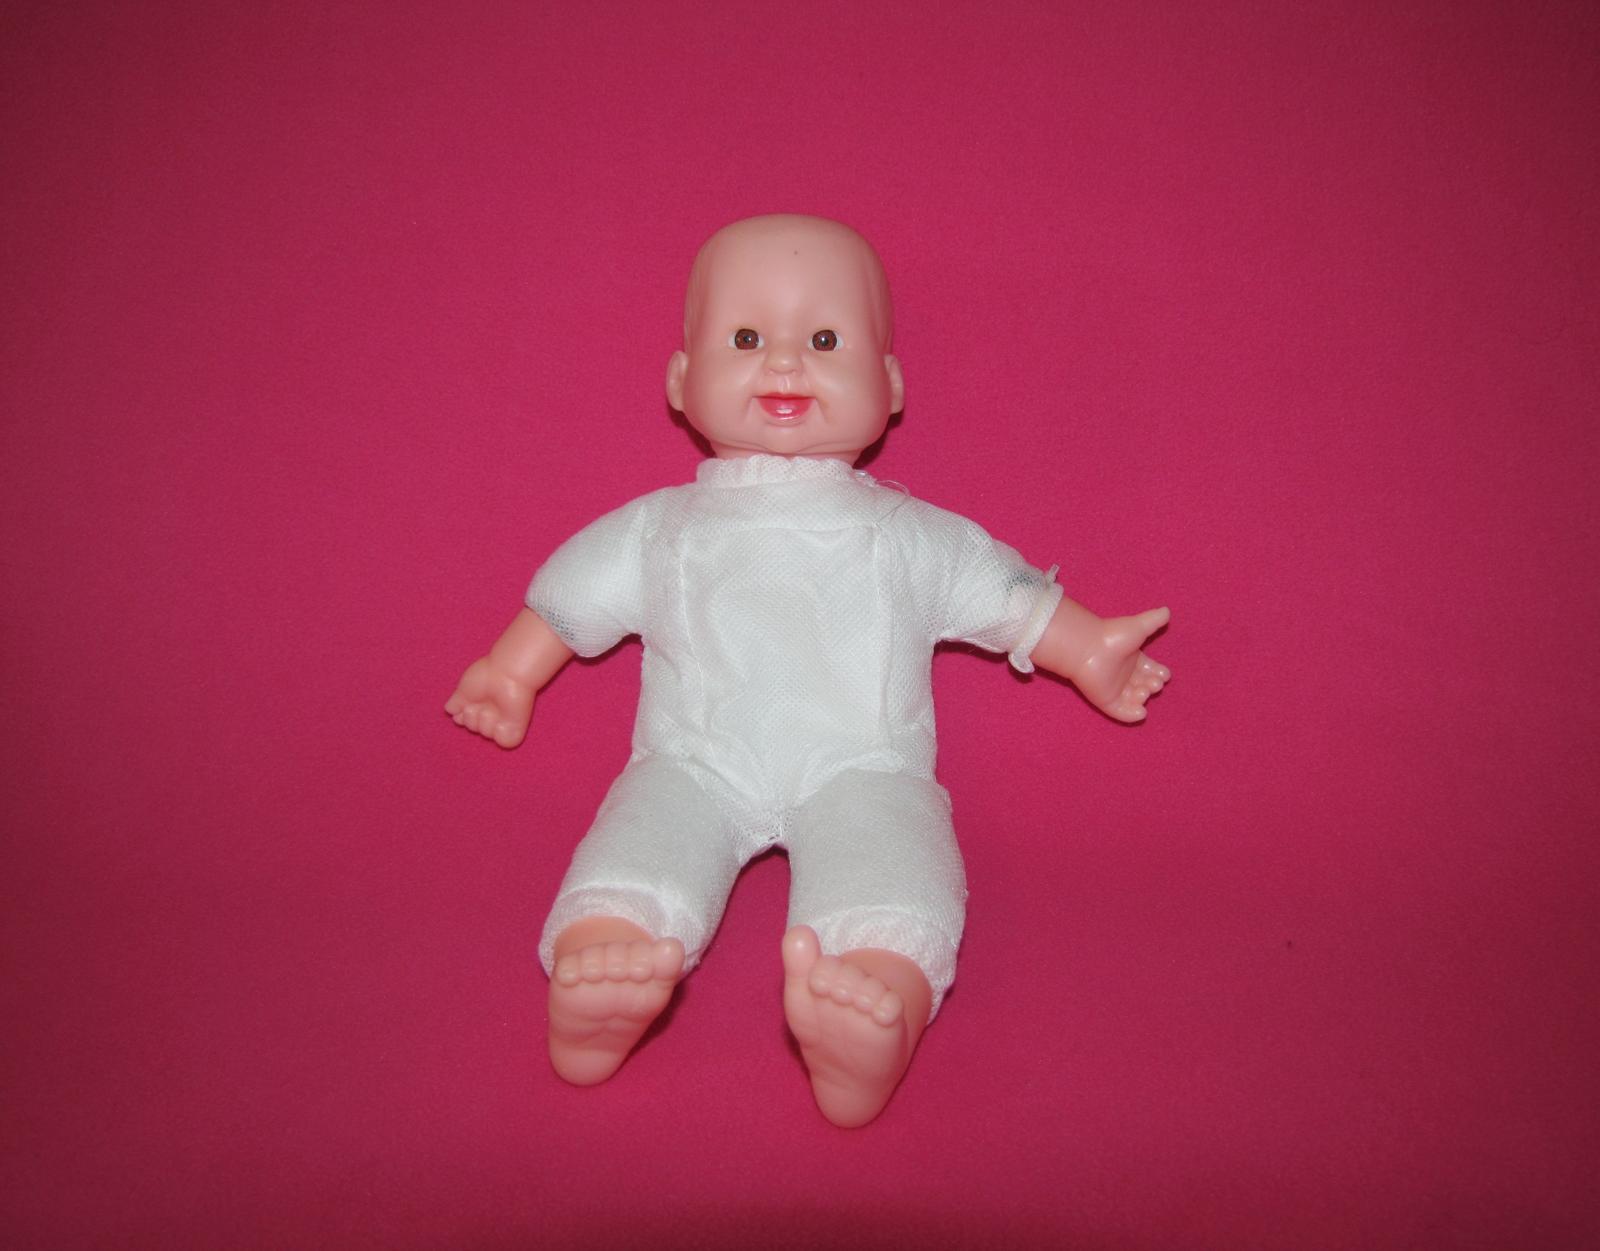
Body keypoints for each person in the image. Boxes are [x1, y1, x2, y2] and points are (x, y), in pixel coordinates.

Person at [446, 215, 1170, 1127]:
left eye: (825, 341)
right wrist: (511, 670)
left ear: (890, 386)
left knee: (897, 863)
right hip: (692, 762)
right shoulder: (661, 528)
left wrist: (1089, 647)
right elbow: (574, 595)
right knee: (643, 843)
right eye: (747, 338)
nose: (785, 362)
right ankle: (606, 961)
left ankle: (874, 1001)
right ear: (680, 380)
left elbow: (1004, 595)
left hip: (862, 768)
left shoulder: (907, 534)